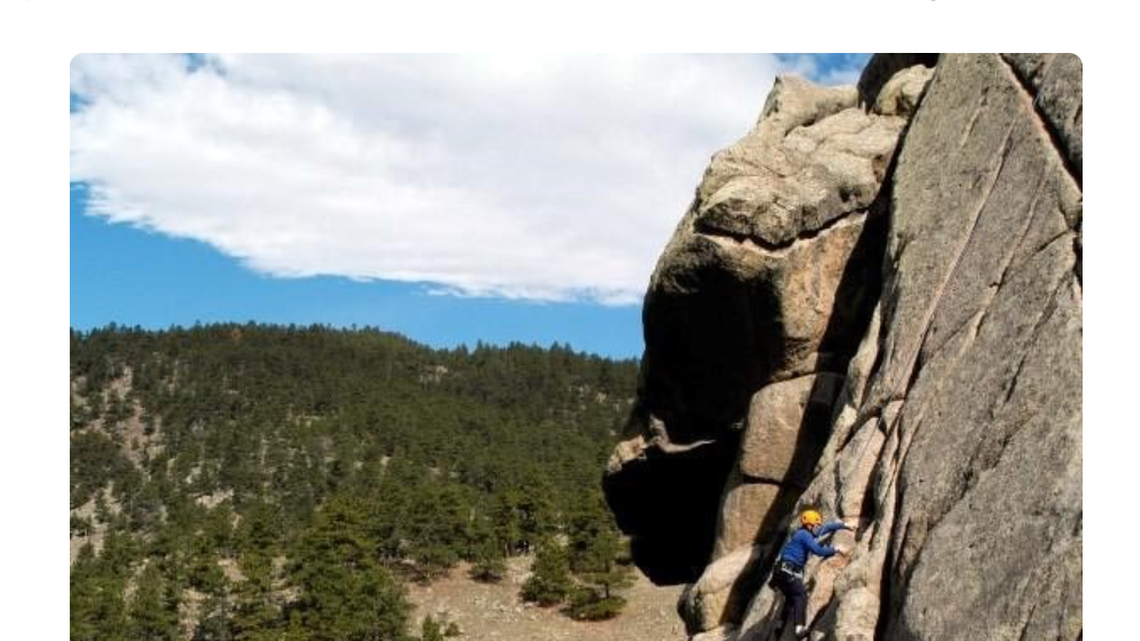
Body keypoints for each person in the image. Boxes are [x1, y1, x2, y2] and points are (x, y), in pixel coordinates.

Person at [770, 509, 855, 639]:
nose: (818, 527)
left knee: (790, 598)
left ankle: (779, 626)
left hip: (780, 572)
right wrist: (836, 549)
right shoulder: (804, 535)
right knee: (800, 595)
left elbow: (825, 529)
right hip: (787, 570)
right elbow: (818, 551)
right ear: (810, 525)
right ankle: (799, 629)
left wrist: (843, 525)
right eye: (816, 525)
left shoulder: (803, 533)